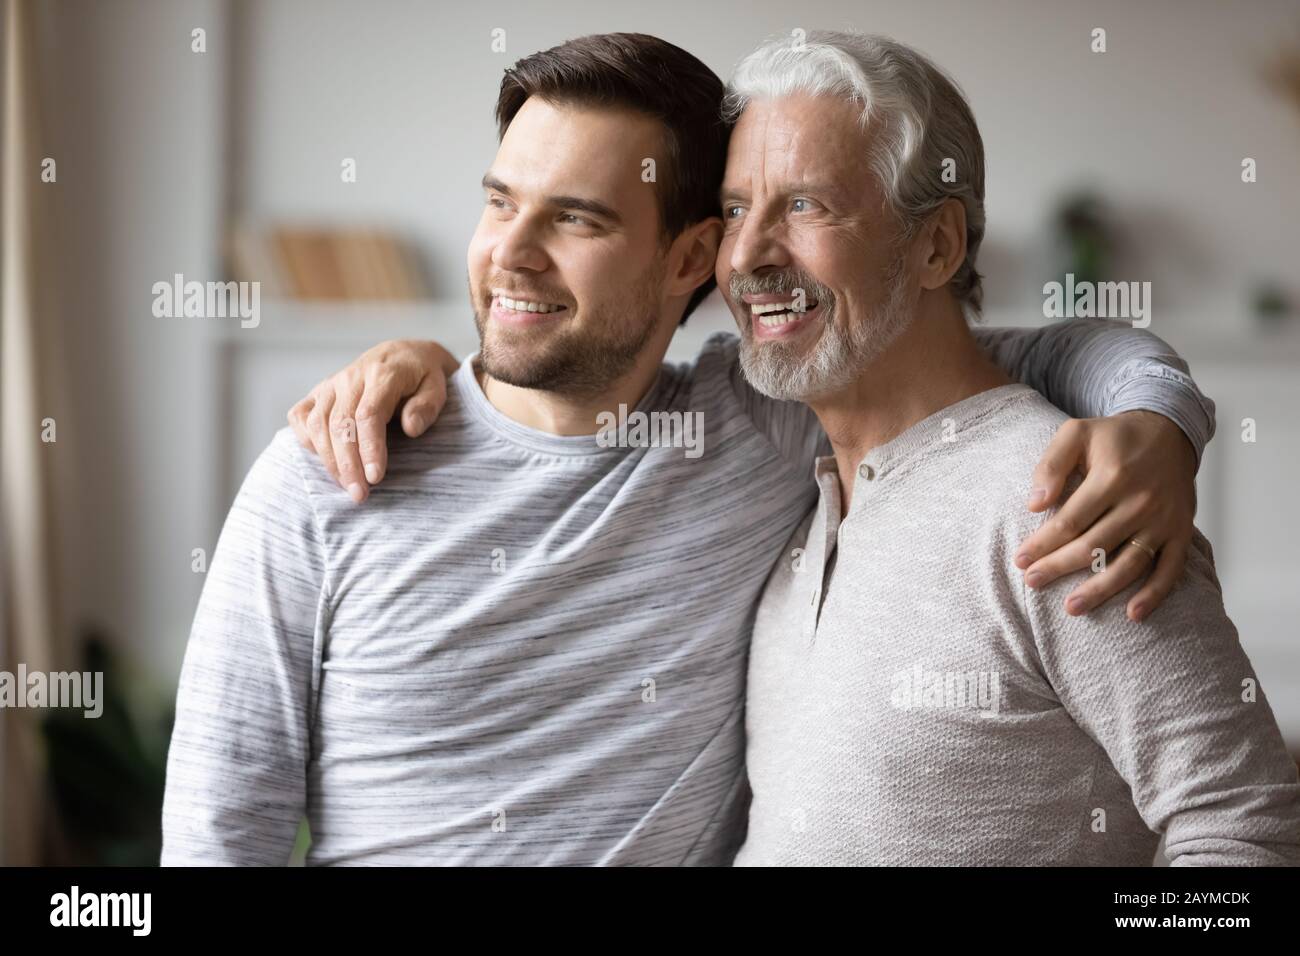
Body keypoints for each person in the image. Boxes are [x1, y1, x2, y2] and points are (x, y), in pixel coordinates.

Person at [164, 33, 1217, 866]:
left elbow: (988, 356)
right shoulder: (332, 467)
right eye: (499, 202)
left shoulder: (757, 421)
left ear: (690, 260)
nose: (509, 254)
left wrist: (1162, 419)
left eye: (574, 220)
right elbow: (217, 834)